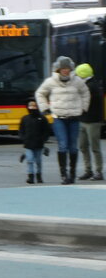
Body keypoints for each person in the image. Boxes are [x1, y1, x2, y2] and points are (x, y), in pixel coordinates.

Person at [36, 55, 91, 184]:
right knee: (63, 145)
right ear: (58, 69)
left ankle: (72, 173)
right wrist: (44, 108)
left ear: (71, 69)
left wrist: (84, 108)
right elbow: (40, 93)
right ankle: (63, 174)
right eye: (63, 68)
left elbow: (85, 93)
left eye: (67, 68)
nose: (65, 70)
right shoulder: (50, 81)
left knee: (73, 147)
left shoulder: (77, 81)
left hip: (74, 117)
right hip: (59, 118)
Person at [76, 63, 104, 180]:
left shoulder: (91, 86)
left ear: (82, 74)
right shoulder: (88, 84)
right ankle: (88, 170)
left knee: (94, 147)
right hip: (84, 119)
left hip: (93, 121)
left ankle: (98, 171)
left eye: (78, 75)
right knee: (83, 146)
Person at [18, 99, 52, 184]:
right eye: (30, 106)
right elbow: (21, 130)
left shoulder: (42, 118)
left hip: (39, 144)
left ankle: (39, 175)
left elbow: (46, 130)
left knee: (38, 161)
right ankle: (31, 176)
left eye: (34, 106)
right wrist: (23, 138)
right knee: (30, 160)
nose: (32, 108)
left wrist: (43, 139)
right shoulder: (25, 118)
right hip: (28, 144)